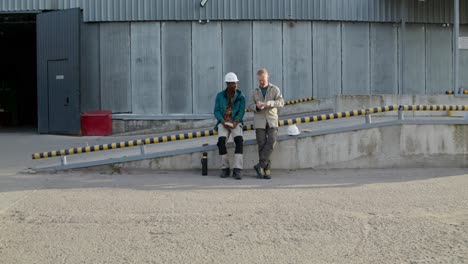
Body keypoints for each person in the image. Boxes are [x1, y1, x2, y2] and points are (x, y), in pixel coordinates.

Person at [248, 69, 284, 179]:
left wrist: (270, 103)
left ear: (267, 78)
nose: (261, 82)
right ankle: (265, 169)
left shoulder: (275, 89)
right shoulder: (255, 92)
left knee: (272, 140)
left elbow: (281, 102)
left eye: (263, 80)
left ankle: (261, 165)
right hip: (259, 121)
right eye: (259, 80)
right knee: (262, 144)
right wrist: (257, 107)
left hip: (272, 120)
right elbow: (249, 106)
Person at [214, 72, 246, 180]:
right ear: (227, 84)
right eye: (232, 84)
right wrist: (222, 121)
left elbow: (241, 111)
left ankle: (237, 169)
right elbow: (216, 111)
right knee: (221, 142)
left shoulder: (241, 96)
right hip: (223, 122)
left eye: (236, 83)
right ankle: (225, 168)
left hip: (235, 122)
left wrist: (236, 121)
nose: (235, 85)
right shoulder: (220, 96)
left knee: (239, 141)